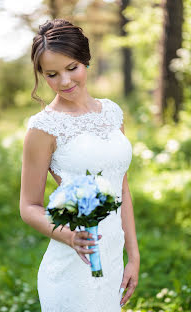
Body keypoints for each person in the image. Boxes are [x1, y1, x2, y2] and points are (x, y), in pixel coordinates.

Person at [19, 18, 140, 312]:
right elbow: (28, 207)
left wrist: (133, 255)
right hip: (72, 265)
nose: (64, 81)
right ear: (42, 75)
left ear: (85, 60)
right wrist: (70, 236)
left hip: (111, 261)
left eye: (72, 68)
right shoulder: (43, 127)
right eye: (51, 74)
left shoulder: (112, 113)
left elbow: (121, 186)